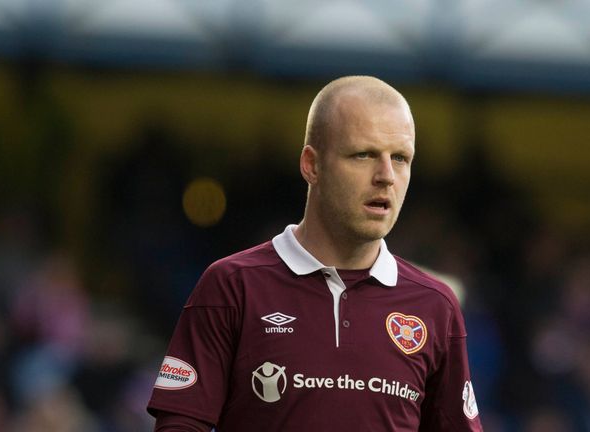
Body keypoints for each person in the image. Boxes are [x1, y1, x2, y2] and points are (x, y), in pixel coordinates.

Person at [147, 76, 483, 431]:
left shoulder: (435, 306)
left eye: (400, 158)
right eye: (363, 154)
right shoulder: (232, 286)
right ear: (312, 165)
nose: (386, 176)